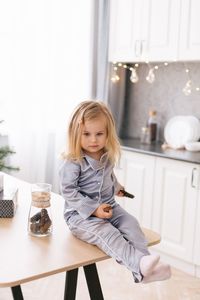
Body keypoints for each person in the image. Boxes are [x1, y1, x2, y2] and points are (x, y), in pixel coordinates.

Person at [59, 100, 171, 283]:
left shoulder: (106, 155)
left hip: (109, 206)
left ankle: (144, 265)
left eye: (99, 134)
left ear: (107, 133)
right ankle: (140, 268)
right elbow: (68, 192)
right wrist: (94, 210)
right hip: (80, 216)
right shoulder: (73, 162)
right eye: (86, 134)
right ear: (75, 134)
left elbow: (109, 176)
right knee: (108, 232)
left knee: (131, 223)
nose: (93, 140)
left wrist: (117, 188)